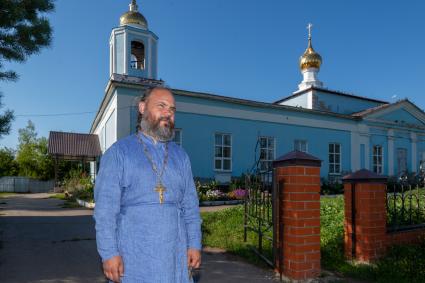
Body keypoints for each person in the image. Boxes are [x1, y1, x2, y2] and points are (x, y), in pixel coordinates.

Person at [93, 86, 202, 283]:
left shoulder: (181, 156)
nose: (168, 114)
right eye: (161, 106)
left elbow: (190, 206)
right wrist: (109, 253)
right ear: (142, 107)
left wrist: (194, 243)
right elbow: (105, 211)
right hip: (133, 257)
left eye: (172, 109)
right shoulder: (119, 153)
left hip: (175, 257)